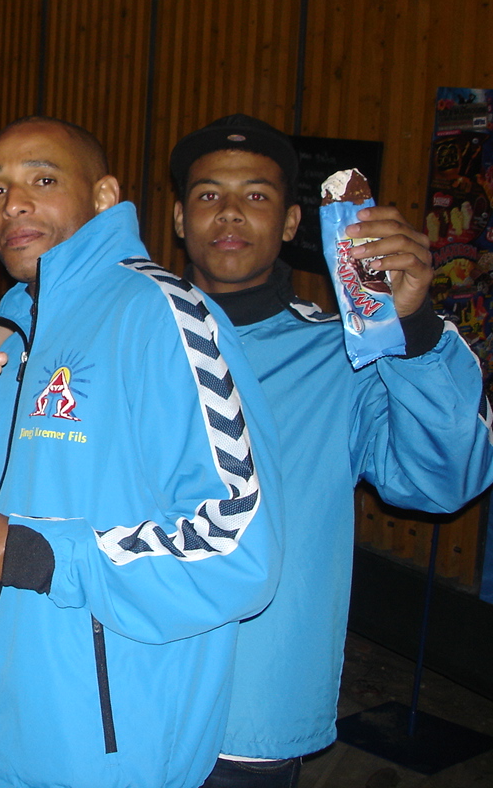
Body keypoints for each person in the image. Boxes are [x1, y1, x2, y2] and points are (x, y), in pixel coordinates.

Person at [0, 117, 282, 788]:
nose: (13, 204)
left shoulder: (163, 314)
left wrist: (29, 553)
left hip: (116, 754)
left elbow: (241, 551)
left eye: (42, 180)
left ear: (103, 197)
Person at [168, 114, 493, 787]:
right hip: (113, 696)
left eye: (257, 195)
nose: (230, 211)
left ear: (293, 223)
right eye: (208, 194)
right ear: (178, 218)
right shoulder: (126, 341)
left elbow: (447, 481)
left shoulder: (346, 357)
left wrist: (414, 328)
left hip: (249, 711)